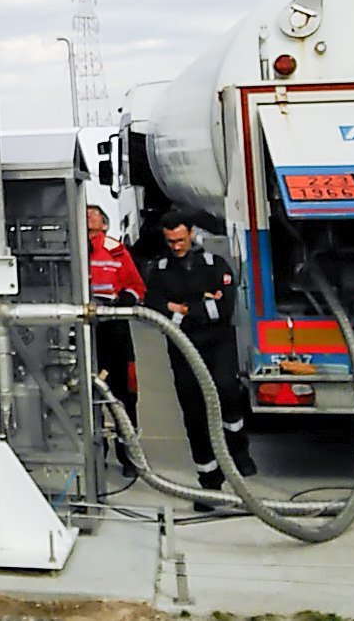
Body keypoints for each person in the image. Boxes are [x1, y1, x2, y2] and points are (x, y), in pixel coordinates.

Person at [142, 208, 255, 510]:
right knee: (193, 412)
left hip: (218, 345)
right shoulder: (161, 270)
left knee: (226, 391)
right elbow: (153, 307)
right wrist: (198, 307)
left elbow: (226, 307)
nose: (176, 246)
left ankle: (238, 452)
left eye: (180, 239)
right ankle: (208, 483)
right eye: (171, 241)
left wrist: (183, 310)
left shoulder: (214, 264)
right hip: (182, 349)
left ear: (191, 233)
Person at [86, 204, 144, 476]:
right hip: (83, 328)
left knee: (123, 395)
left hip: (113, 330)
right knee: (85, 394)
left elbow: (136, 286)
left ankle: (129, 456)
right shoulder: (68, 245)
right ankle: (95, 454)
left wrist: (125, 300)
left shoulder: (116, 249)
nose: (88, 215)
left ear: (105, 224)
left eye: (93, 213)